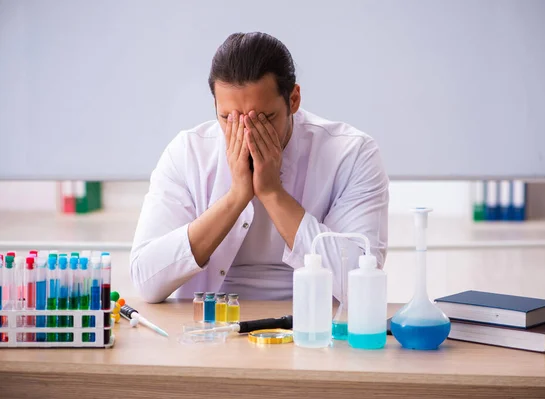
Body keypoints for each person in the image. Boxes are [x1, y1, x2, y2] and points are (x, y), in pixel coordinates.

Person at [130, 32, 389, 303]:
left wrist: (272, 193)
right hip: (210, 326)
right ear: (214, 105)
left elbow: (357, 283)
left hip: (313, 324)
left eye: (264, 118)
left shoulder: (351, 153)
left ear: (293, 100)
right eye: (228, 118)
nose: (247, 133)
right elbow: (147, 281)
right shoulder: (188, 152)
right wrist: (235, 198)